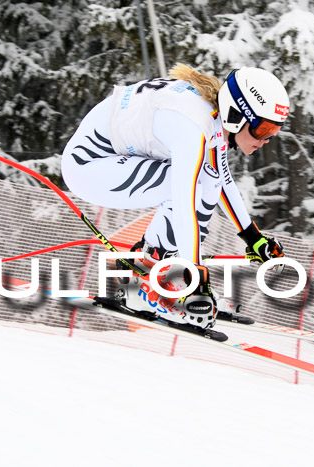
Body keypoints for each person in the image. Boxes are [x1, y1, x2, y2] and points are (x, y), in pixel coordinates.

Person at [61, 64, 289, 333]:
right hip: (89, 165)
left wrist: (252, 237)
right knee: (195, 186)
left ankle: (157, 270)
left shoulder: (212, 118)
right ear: (237, 114)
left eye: (274, 132)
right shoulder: (192, 126)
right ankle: (154, 278)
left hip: (110, 160)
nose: (266, 140)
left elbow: (222, 179)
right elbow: (184, 201)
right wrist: (196, 276)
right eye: (262, 130)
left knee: (207, 180)